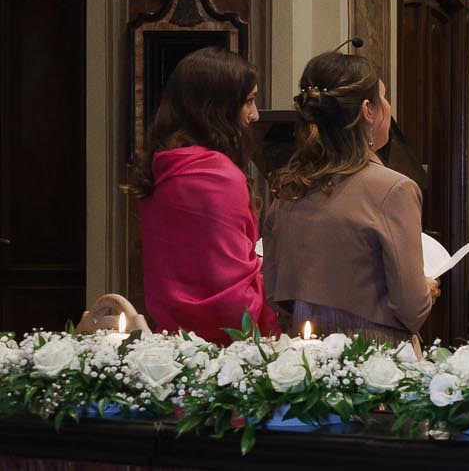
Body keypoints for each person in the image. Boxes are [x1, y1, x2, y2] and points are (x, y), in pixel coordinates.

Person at [261, 51, 437, 343]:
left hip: (305, 355)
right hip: (372, 357)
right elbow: (411, 309)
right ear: (368, 110)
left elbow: (275, 294)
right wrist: (426, 289)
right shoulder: (394, 190)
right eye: (384, 97)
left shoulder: (289, 190)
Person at [129, 47, 278, 342]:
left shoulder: (164, 165)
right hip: (227, 345)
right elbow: (231, 295)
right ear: (216, 107)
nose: (255, 114)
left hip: (173, 340)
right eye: (248, 101)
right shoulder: (219, 175)